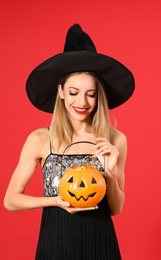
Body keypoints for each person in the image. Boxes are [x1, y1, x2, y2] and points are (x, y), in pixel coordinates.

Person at [4, 24, 135, 259]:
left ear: (99, 95)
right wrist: (57, 201)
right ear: (61, 91)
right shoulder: (41, 139)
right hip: (56, 240)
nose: (82, 102)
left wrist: (112, 172)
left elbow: (116, 208)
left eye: (91, 94)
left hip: (100, 241)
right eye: (74, 92)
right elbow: (11, 200)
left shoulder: (115, 139)